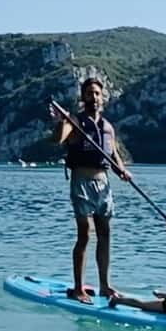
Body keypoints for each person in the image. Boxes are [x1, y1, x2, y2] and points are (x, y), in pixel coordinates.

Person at [50, 77, 132, 304]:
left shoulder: (108, 127)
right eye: (89, 93)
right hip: (81, 182)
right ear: (83, 97)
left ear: (102, 97)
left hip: (104, 183)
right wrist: (60, 121)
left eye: (97, 93)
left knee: (105, 234)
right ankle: (78, 288)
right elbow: (58, 139)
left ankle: (105, 286)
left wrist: (122, 171)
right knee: (85, 234)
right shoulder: (74, 121)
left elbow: (113, 154)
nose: (93, 98)